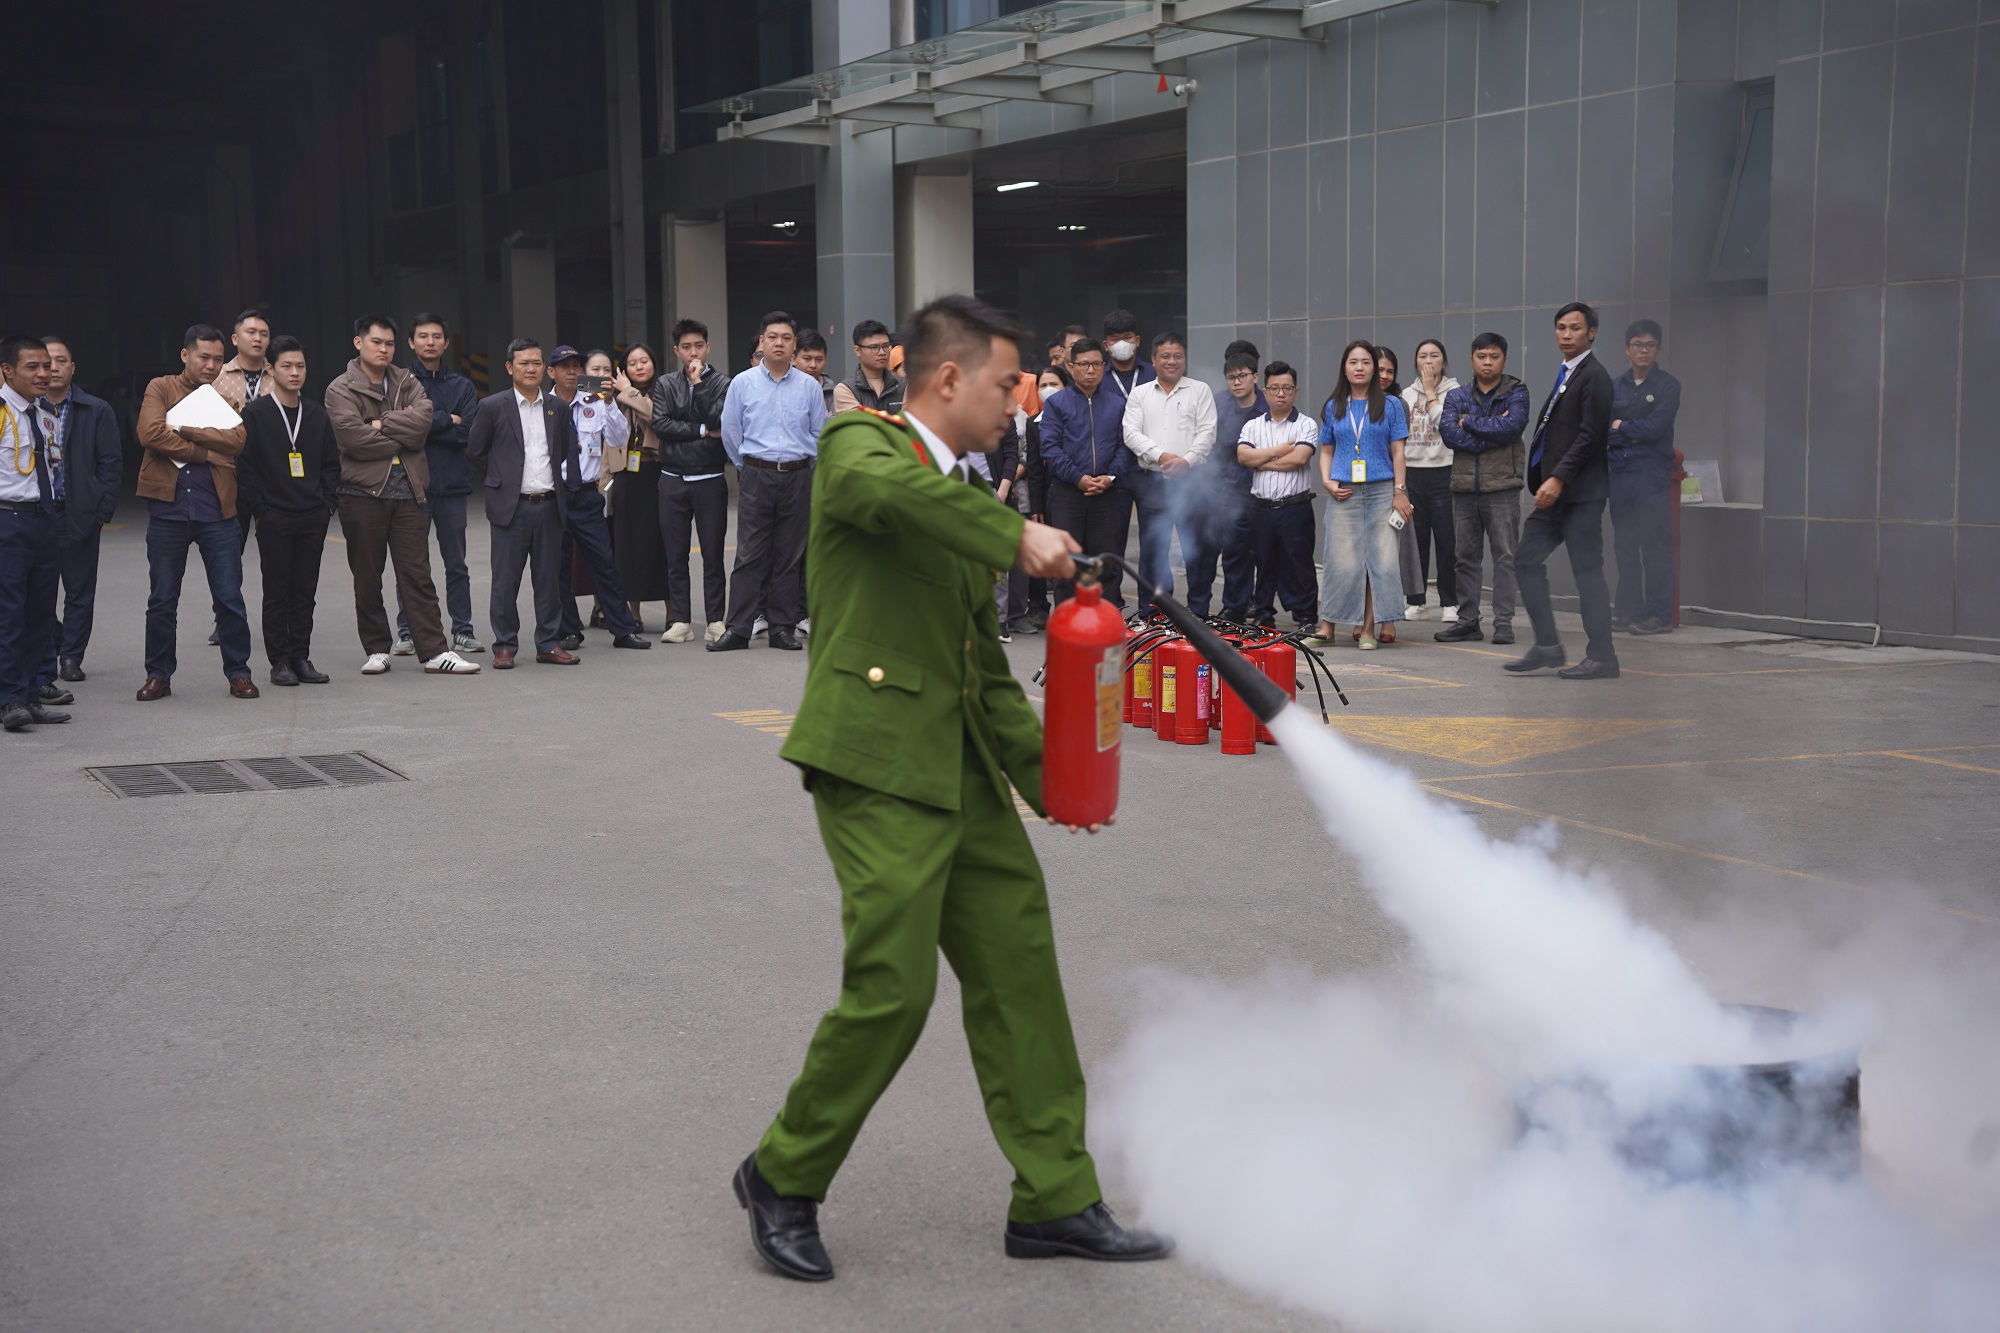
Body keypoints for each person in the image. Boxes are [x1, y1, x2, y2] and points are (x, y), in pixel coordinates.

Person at [737, 292, 1171, 1283]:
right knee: (893, 990)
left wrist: (1058, 785)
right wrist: (1012, 533)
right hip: (876, 764)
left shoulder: (963, 489)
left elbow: (985, 672)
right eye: (1005, 384)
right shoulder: (859, 444)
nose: (1017, 401)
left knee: (1020, 971)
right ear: (946, 379)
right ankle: (782, 1173)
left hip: (962, 767)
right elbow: (891, 496)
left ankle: (1055, 1197)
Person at [325, 314, 479, 677]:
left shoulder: (406, 380)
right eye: (376, 342)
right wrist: (401, 429)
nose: (383, 349)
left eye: (389, 344)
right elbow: (352, 439)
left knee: (417, 575)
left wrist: (379, 423)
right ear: (359, 343)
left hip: (409, 491)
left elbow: (422, 425)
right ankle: (377, 648)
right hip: (362, 493)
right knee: (368, 576)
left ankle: (435, 652)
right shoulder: (340, 388)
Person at [134, 324, 258, 702]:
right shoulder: (160, 388)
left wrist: (185, 428)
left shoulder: (223, 397)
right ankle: (158, 675)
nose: (211, 365)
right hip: (168, 510)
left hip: (217, 511)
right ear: (185, 355)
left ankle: (239, 673)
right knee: (162, 600)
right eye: (204, 357)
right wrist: (205, 452)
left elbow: (236, 440)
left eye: (218, 359)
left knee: (229, 598)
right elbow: (151, 434)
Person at [1508, 302, 1619, 680]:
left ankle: (1603, 657)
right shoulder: (1569, 372)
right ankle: (1547, 646)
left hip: (1581, 495)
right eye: (1561, 328)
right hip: (1555, 497)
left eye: (1575, 328)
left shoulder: (1595, 376)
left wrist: (1558, 477)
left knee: (1588, 574)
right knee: (1525, 560)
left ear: (1591, 333)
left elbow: (1590, 436)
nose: (1566, 335)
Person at [709, 311, 825, 653]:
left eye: (786, 338)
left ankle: (781, 629)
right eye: (772, 337)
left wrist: (802, 466)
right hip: (756, 474)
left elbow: (819, 433)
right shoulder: (742, 383)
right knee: (749, 554)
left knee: (789, 556)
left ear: (794, 345)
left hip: (798, 475)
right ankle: (738, 629)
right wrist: (747, 467)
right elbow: (731, 432)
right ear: (762, 341)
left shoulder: (809, 386)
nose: (779, 343)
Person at [468, 338, 579, 668]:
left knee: (548, 581)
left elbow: (561, 451)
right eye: (523, 363)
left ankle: (548, 643)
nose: (531, 369)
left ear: (544, 368)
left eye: (536, 363)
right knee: (505, 581)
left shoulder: (557, 407)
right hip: (511, 507)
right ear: (509, 367)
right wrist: (501, 481)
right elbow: (476, 451)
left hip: (548, 504)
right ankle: (504, 645)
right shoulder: (493, 406)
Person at [236, 336, 338, 686]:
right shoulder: (256, 414)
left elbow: (331, 464)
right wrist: (260, 510)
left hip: (312, 516)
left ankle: (301, 657)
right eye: (287, 366)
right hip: (274, 516)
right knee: (277, 590)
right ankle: (279, 661)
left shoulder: (316, 415)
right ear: (270, 369)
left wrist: (327, 505)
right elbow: (245, 467)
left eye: (300, 366)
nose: (295, 373)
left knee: (305, 591)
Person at [548, 345, 648, 652]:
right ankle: (568, 630)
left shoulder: (595, 402)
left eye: (576, 366)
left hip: (587, 495)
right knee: (558, 567)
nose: (571, 371)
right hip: (555, 495)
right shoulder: (543, 406)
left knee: (605, 563)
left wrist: (609, 402)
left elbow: (618, 438)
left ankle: (623, 630)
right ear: (551, 372)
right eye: (564, 366)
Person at [395, 313, 483, 656]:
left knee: (456, 564)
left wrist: (422, 424)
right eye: (423, 336)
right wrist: (448, 420)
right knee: (412, 565)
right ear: (411, 342)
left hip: (453, 488)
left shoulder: (462, 386)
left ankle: (462, 629)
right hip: (412, 486)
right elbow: (400, 428)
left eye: (436, 337)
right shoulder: (400, 383)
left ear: (446, 343)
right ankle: (407, 631)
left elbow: (469, 433)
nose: (429, 342)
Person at [1314, 340, 1411, 650]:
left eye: (1366, 362)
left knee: (1380, 561)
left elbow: (1398, 451)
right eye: (1353, 362)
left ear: (1374, 369)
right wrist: (1326, 481)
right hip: (1344, 492)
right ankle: (1327, 628)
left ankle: (1369, 628)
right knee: (1339, 560)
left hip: (1382, 491)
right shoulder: (1334, 405)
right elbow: (1326, 450)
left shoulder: (1391, 405)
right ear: (1345, 368)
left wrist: (1399, 491)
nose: (1360, 368)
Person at [1435, 332, 1530, 646]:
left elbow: (1511, 427)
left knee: (1505, 557)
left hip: (1502, 487)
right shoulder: (1457, 395)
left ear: (1504, 359)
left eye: (1494, 357)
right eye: (1481, 356)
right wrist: (1490, 432)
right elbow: (1449, 434)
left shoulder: (1517, 391)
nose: (1487, 362)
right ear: (1472, 359)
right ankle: (1468, 622)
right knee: (1465, 558)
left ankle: (1503, 623)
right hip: (1464, 488)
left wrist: (1469, 422)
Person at [38, 337, 122, 684]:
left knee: (79, 591)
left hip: (79, 512)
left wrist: (101, 511)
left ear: (72, 368)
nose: (54, 368)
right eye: (47, 362)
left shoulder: (96, 409)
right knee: (33, 590)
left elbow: (111, 463)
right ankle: (55, 640)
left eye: (61, 361)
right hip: (35, 514)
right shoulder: (24, 409)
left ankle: (71, 656)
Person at [1120, 330, 1217, 614]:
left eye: (1178, 356)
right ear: (1153, 359)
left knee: (1196, 550)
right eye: (1165, 356)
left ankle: (1198, 613)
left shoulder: (1200, 390)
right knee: (1153, 551)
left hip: (1192, 481)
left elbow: (1208, 433)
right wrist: (1161, 456)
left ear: (1185, 359)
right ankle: (1153, 613)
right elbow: (1130, 433)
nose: (1172, 361)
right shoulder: (1140, 394)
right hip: (1152, 483)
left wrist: (1186, 461)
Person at [0, 336, 67, 730]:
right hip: (8, 518)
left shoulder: (46, 414)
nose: (45, 373)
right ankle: (10, 698)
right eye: (33, 367)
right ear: (8, 371)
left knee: (40, 611)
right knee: (9, 613)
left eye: (47, 366)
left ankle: (31, 694)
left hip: (44, 519)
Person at [1037, 339, 1132, 609]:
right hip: (1068, 493)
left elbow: (1124, 446)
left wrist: (1110, 477)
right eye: (1084, 364)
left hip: (1106, 493)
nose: (1091, 370)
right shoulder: (1057, 403)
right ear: (1071, 366)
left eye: (1097, 364)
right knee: (1067, 561)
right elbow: (1050, 448)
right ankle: (1068, 621)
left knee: (1107, 561)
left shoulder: (1116, 404)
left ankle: (1107, 618)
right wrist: (1077, 478)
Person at [653, 318, 731, 644]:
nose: (693, 352)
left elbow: (719, 420)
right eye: (686, 347)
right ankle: (681, 621)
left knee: (713, 554)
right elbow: (661, 425)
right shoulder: (665, 383)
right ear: (676, 350)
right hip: (672, 478)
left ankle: (715, 620)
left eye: (699, 346)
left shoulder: (723, 383)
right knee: (676, 555)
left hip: (710, 477)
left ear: (708, 347)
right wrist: (701, 431)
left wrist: (698, 384)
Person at [1608, 319, 1681, 636]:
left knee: (1655, 546)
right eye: (1638, 344)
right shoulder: (1614, 386)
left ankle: (1659, 615)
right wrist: (1629, 433)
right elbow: (1602, 430)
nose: (1644, 350)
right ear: (1627, 349)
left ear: (1658, 349)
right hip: (1620, 472)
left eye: (1650, 345)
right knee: (1624, 546)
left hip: (1651, 474)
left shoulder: (1668, 386)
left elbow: (1655, 429)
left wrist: (1622, 427)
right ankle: (1628, 610)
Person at [1235, 361, 1319, 629]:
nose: (1280, 393)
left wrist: (1261, 461)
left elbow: (1299, 459)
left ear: (1296, 391)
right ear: (1265, 391)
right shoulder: (1253, 425)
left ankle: (1307, 616)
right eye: (1274, 388)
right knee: (1263, 563)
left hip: (1295, 507)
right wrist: (1279, 451)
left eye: (1286, 388)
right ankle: (1263, 614)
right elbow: (1243, 456)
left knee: (1300, 563)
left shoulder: (1306, 424)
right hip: (1261, 508)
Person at [611, 343, 671, 632]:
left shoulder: (665, 391)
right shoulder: (616, 398)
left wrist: (628, 391)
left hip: (656, 472)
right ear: (624, 369)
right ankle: (632, 613)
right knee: (628, 547)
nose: (639, 367)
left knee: (664, 544)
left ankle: (673, 612)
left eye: (644, 361)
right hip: (626, 475)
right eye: (632, 363)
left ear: (654, 364)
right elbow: (607, 440)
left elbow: (657, 419)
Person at [1204, 347, 1266, 620]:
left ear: (1255, 377)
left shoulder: (1267, 406)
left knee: (1266, 553)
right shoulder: (1218, 404)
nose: (1237, 382)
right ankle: (1235, 606)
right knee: (1233, 551)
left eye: (1242, 376)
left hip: (1263, 489)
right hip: (1227, 490)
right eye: (1231, 377)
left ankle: (1265, 609)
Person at [1401, 339, 1460, 623]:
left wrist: (1429, 391)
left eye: (1434, 355)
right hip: (1412, 472)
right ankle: (1417, 600)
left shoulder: (1455, 393)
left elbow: (1447, 426)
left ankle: (1450, 602)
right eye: (1422, 355)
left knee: (1447, 540)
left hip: (1444, 470)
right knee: (1417, 540)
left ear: (1443, 362)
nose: (1428, 361)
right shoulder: (1405, 395)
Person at [829, 319, 905, 415]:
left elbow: (911, 420)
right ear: (857, 350)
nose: (882, 352)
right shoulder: (846, 389)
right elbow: (860, 422)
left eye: (885, 346)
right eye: (874, 347)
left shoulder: (904, 385)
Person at [216, 310, 274, 411]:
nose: (258, 338)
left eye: (264, 334)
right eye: (251, 332)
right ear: (235, 339)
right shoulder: (217, 376)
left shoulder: (279, 376)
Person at [1098, 309, 1155, 401]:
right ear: (1105, 345)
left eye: (1127, 337)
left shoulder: (1153, 373)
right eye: (1115, 339)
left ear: (1137, 341)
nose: (1122, 343)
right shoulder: (1099, 377)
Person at [795, 329, 836, 414]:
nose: (813, 365)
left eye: (819, 359)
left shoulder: (833, 391)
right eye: (807, 359)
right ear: (793, 359)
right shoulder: (782, 387)